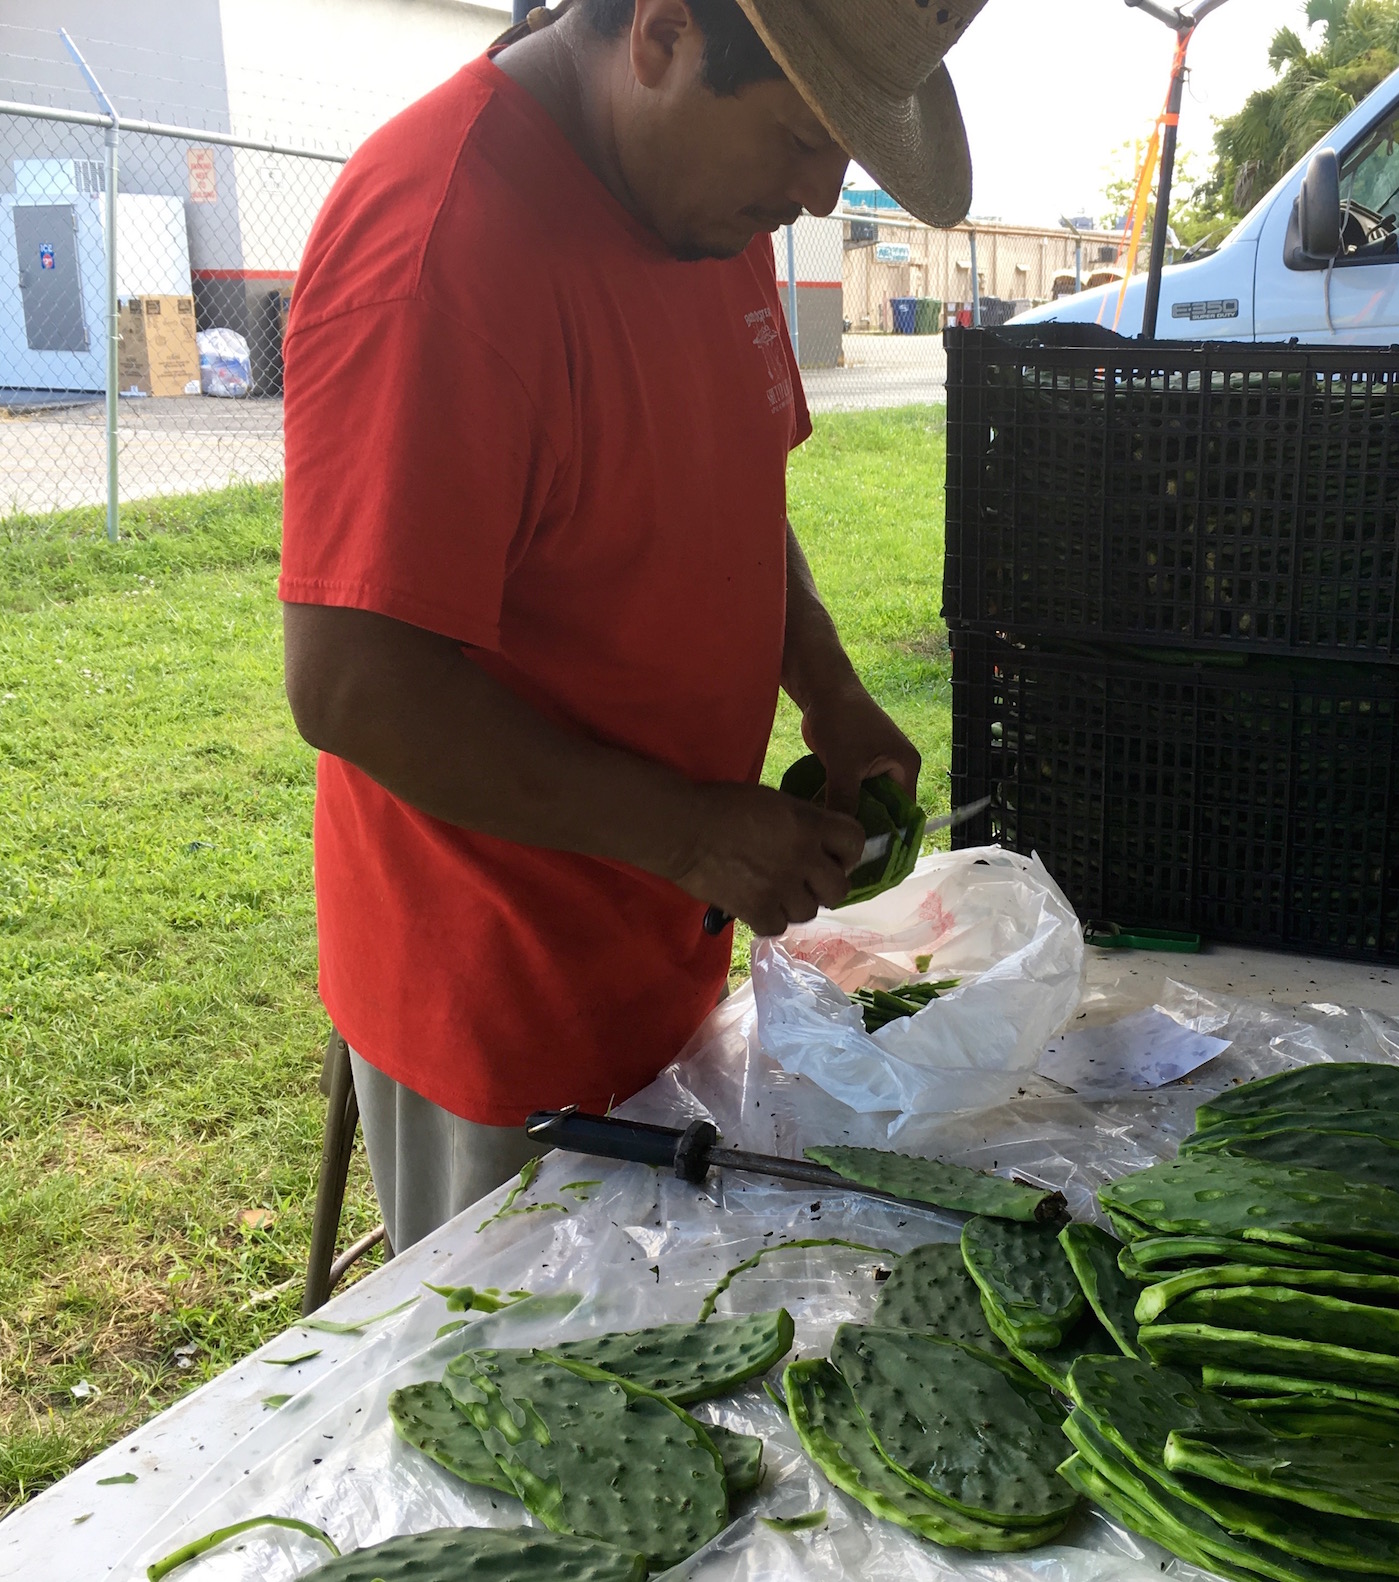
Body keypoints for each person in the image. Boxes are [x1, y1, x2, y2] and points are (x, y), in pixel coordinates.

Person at [278, 0, 988, 1250]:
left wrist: (824, 682)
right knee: (527, 1386)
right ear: (660, 35)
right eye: (802, 136)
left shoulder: (701, 196)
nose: (821, 197)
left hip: (664, 953)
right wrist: (695, 834)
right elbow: (354, 681)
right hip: (500, 1003)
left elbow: (735, 487)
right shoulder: (444, 234)